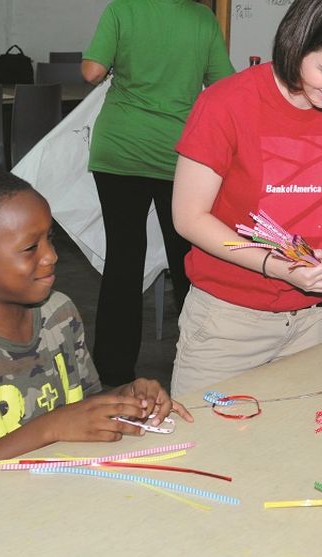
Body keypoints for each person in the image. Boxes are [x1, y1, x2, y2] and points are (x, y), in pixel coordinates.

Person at [169, 0, 322, 397]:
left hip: (319, 320)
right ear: (296, 43)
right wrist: (275, 267)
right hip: (228, 323)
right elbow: (189, 217)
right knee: (205, 431)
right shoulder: (226, 104)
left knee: (308, 433)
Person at [0, 168, 192, 491]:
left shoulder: (58, 312)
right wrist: (49, 428)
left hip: (63, 491)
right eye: (31, 247)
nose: (51, 256)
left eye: (50, 239)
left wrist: (124, 398)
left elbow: (84, 404)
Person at [82, 0, 235, 387]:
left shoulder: (123, 9)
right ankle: (199, 358)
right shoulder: (202, 18)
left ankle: (114, 370)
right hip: (179, 153)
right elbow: (224, 84)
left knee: (123, 258)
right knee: (187, 260)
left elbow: (92, 71)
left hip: (120, 147)